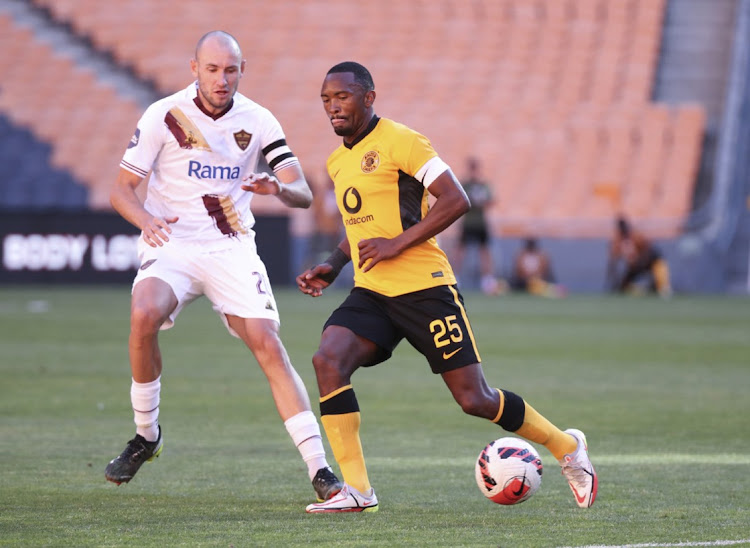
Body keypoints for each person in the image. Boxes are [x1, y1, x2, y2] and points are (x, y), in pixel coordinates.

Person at [296, 61, 597, 513]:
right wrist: (335, 263)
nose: (333, 107)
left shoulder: (402, 140)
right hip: (372, 292)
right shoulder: (338, 161)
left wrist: (397, 244)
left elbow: (457, 199)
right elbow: (360, 224)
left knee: (475, 399)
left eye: (343, 96)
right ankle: (358, 491)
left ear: (369, 97)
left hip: (424, 288)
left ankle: (566, 448)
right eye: (326, 99)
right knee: (327, 360)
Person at [105, 31, 343, 504]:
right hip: (172, 242)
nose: (221, 79)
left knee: (268, 344)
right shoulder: (164, 115)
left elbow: (303, 192)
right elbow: (121, 190)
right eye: (212, 69)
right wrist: (146, 219)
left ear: (242, 69)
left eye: (230, 70)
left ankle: (320, 469)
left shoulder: (258, 120)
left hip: (230, 247)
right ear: (194, 68)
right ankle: (146, 435)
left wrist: (275, 186)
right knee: (143, 314)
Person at [454, 157, 501, 295]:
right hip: (468, 222)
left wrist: (481, 202)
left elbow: (491, 201)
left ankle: (487, 280)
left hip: (480, 222)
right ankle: (456, 277)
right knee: (460, 251)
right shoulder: (465, 184)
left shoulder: (483, 185)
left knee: (484, 252)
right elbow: (459, 200)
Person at [607, 216, 672, 298]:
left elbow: (649, 250)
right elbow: (613, 261)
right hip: (635, 266)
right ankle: (643, 292)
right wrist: (613, 279)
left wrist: (641, 261)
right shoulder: (617, 241)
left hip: (647, 261)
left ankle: (663, 287)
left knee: (658, 262)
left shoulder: (636, 235)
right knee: (624, 286)